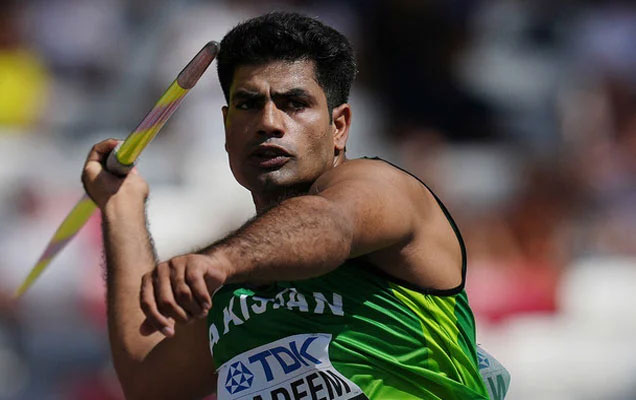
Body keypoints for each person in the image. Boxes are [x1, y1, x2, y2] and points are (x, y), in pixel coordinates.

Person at [82, 12, 507, 400]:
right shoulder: (234, 291)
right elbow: (147, 378)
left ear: (339, 126)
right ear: (227, 128)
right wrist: (121, 209)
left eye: (294, 104)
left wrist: (220, 261)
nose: (268, 122)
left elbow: (330, 225)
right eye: (249, 104)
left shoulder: (382, 187)